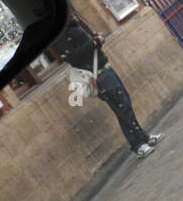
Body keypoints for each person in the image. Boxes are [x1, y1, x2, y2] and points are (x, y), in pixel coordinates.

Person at [54, 14, 163, 158]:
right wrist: (94, 43)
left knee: (125, 105)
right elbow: (73, 57)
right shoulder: (60, 33)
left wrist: (96, 39)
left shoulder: (73, 23)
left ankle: (143, 137)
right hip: (97, 75)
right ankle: (137, 144)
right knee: (121, 108)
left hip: (105, 69)